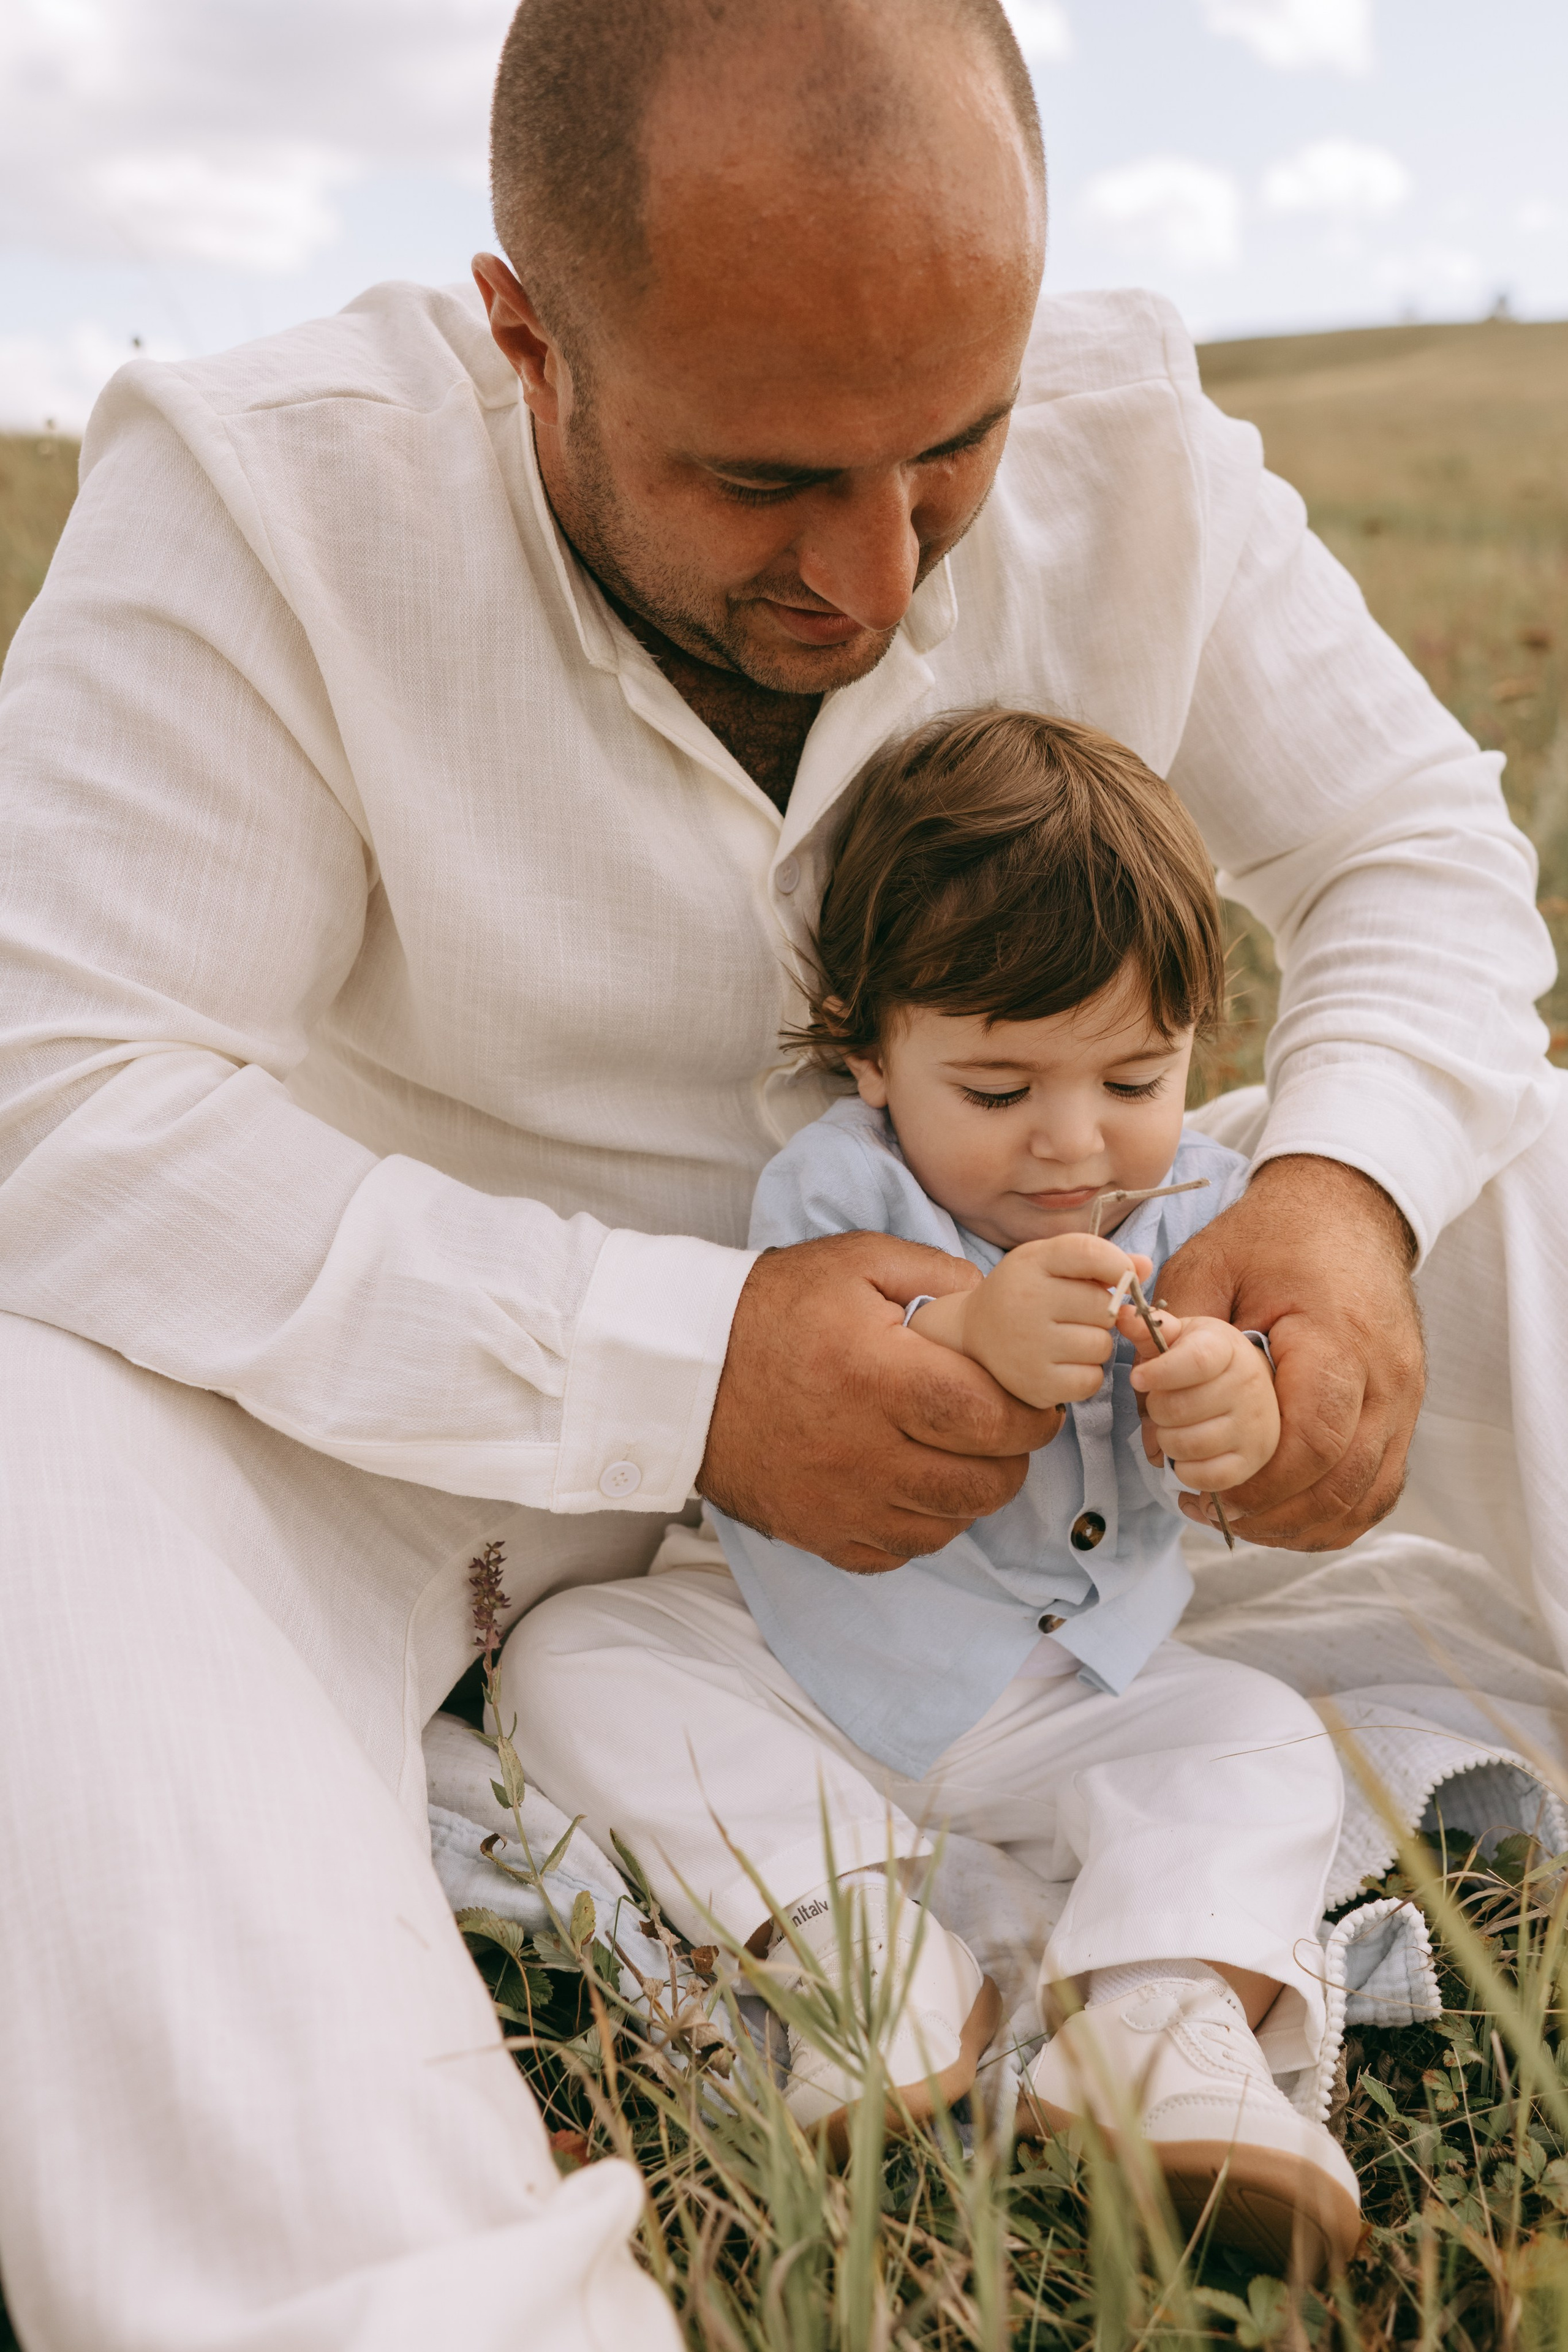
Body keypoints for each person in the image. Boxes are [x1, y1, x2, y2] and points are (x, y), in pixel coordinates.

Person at [0, 0, 1562, 2339]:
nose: (883, 577)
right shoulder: (268, 497)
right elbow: (56, 1086)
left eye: (954, 447)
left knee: (1507, 1150)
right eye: (763, 481)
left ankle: (1132, 1951)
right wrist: (683, 1368)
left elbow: (1419, 854)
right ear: (526, 333)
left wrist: (1332, 1201)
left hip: (1090, 1442)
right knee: (33, 1451)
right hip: (465, 1483)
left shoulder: (1139, 440)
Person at [502, 709, 1360, 2274]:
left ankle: (1158, 2028)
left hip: (1063, 1695)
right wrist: (968, 1327)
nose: (1071, 1142)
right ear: (867, 1048)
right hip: (806, 1658)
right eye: (996, 1086)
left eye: (1133, 1075)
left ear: (1197, 1047)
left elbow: (1250, 1387)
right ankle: (869, 1969)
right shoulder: (846, 1182)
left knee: (1256, 1740)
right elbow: (844, 1338)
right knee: (579, 1658)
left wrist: (1231, 1396)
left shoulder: (1203, 1208)